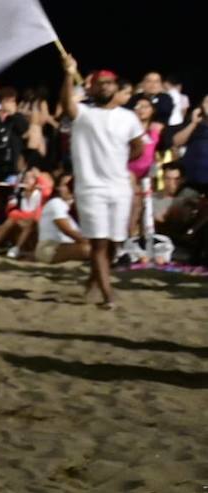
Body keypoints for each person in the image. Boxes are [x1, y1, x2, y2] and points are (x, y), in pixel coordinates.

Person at [61, 55, 144, 309]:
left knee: (114, 242)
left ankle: (94, 280)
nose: (106, 86)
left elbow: (138, 147)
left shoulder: (128, 117)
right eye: (101, 83)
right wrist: (69, 72)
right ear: (92, 87)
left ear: (116, 88)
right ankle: (109, 295)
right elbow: (67, 105)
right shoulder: (84, 114)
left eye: (110, 83)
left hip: (119, 188)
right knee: (98, 242)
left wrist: (116, 161)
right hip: (91, 188)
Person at [0, 167, 47, 258]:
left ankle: (17, 248)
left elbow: (38, 213)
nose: (27, 180)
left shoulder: (39, 194)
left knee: (29, 223)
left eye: (30, 178)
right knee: (10, 220)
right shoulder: (20, 195)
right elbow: (12, 212)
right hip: (21, 221)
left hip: (34, 223)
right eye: (25, 178)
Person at [126, 94, 164, 241]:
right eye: (138, 106)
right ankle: (128, 239)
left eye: (145, 107)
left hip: (147, 173)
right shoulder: (128, 128)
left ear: (152, 110)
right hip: (128, 171)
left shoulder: (156, 130)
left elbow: (156, 153)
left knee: (146, 205)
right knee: (134, 203)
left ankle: (143, 239)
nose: (141, 110)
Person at [32, 173, 91, 264]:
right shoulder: (56, 203)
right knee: (87, 249)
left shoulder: (74, 205)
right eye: (64, 185)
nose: (68, 188)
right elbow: (66, 229)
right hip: (51, 246)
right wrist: (87, 242)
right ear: (58, 188)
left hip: (68, 244)